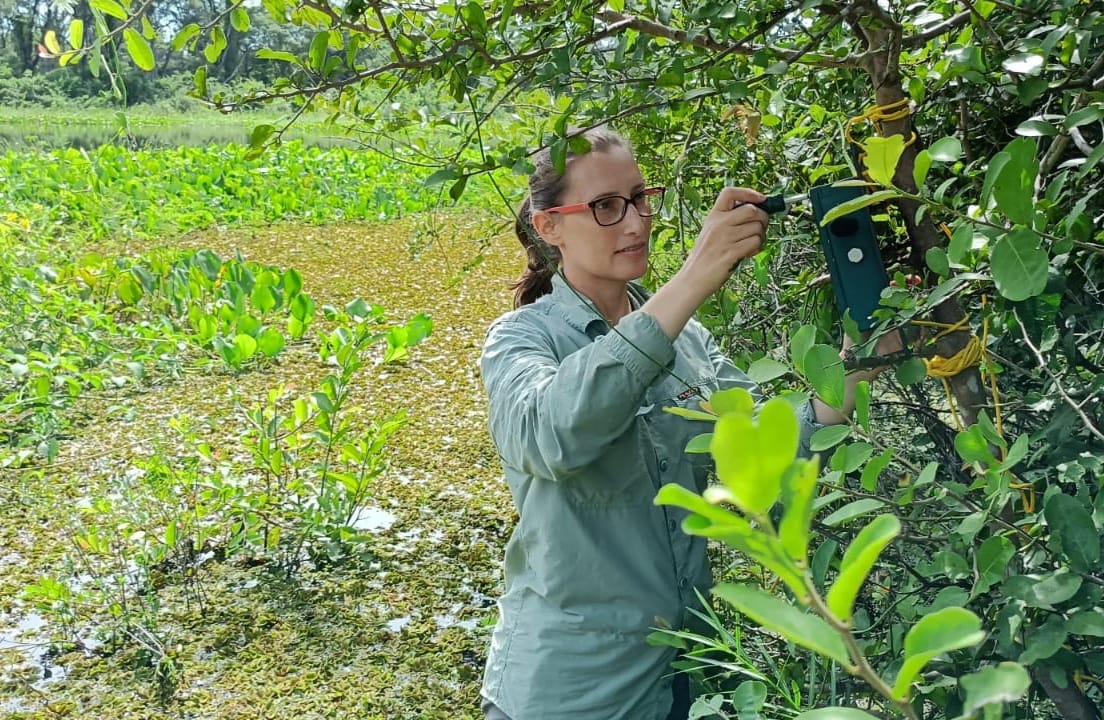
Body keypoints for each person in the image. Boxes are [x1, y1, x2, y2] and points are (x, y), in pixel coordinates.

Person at [478, 126, 896, 720]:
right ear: (550, 227)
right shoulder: (521, 339)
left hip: (683, 675)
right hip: (570, 690)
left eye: (640, 198)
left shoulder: (689, 340)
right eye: (605, 206)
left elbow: (765, 450)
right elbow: (552, 437)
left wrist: (858, 365)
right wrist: (697, 274)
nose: (635, 223)